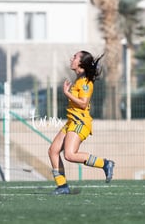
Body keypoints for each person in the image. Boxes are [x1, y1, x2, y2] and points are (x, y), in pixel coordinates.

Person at [48, 51, 114, 194]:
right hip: (72, 121)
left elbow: (84, 104)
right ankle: (62, 186)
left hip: (80, 122)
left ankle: (105, 164)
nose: (72, 58)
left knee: (70, 155)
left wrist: (67, 94)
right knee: (53, 151)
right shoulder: (79, 79)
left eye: (75, 57)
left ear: (81, 63)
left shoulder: (85, 82)